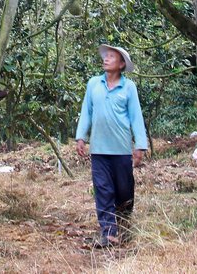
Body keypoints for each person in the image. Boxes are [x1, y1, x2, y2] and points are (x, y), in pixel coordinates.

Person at [76, 44, 148, 248]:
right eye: (105, 56)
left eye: (111, 57)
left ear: (121, 64)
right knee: (103, 190)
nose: (106, 59)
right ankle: (108, 233)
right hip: (99, 149)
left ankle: (124, 226)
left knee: (124, 191)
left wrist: (140, 145)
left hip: (121, 149)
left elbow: (136, 117)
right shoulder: (93, 84)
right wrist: (81, 137)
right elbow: (86, 112)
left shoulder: (128, 87)